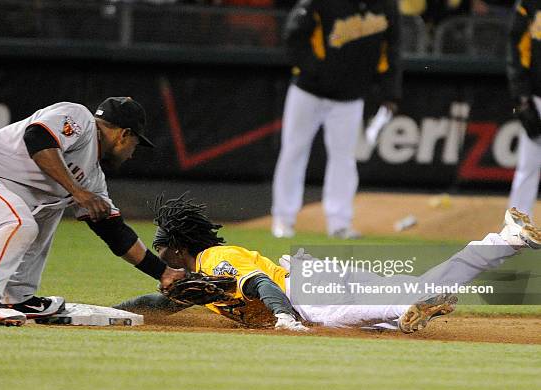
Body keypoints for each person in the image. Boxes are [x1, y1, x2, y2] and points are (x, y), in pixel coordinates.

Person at [116, 194, 540, 333]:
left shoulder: (215, 260)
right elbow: (159, 302)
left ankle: (409, 307)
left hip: (305, 290)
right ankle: (504, 241)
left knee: (330, 316)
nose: (157, 254)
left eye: (160, 246)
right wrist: (112, 314)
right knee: (408, 296)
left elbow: (262, 283)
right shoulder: (200, 281)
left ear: (177, 247)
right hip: (317, 278)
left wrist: (284, 319)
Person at [0, 97, 185, 326]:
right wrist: (77, 191)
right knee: (21, 223)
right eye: (135, 145)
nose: (132, 154)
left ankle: (18, 298)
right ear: (124, 134)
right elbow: (37, 138)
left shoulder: (93, 179)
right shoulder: (80, 118)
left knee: (47, 209)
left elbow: (115, 233)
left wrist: (164, 273)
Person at [271, 0, 402, 238]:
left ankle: (339, 222)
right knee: (294, 151)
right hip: (308, 92)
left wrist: (390, 92)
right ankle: (283, 219)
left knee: (344, 158)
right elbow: (294, 34)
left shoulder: (387, 5)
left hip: (350, 96)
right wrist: (314, 70)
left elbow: (392, 48)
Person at [507, 0, 541, 219]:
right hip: (539, 96)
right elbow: (517, 48)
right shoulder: (530, 3)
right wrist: (522, 97)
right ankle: (516, 228)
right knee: (528, 167)